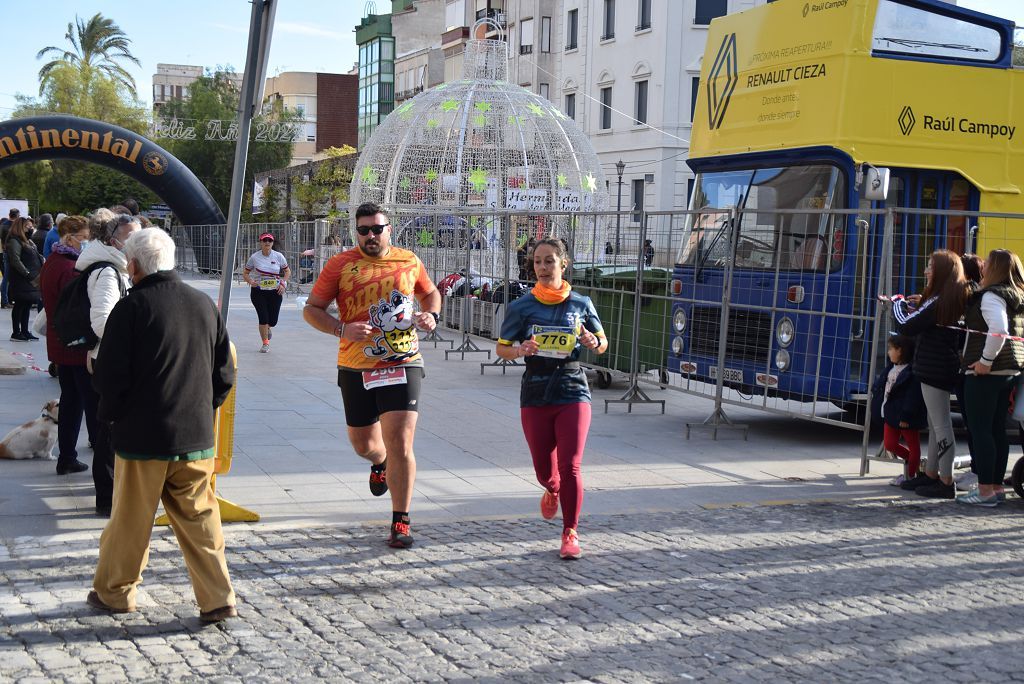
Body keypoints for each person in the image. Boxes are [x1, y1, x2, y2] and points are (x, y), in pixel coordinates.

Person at [86, 228, 237, 621]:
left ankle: (115, 593)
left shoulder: (131, 308)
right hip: (196, 436)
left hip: (142, 438)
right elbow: (224, 372)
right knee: (201, 520)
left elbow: (110, 377)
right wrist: (204, 408)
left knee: (130, 522)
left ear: (132, 266)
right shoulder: (204, 303)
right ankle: (218, 598)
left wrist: (111, 417)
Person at [303, 202, 441, 549]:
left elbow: (430, 292)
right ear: (356, 232)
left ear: (388, 229)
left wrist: (431, 315)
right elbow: (311, 310)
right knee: (364, 444)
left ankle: (401, 521)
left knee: (400, 441)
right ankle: (378, 462)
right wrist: (340, 329)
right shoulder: (340, 265)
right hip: (356, 366)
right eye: (363, 230)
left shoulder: (408, 260)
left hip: (403, 362)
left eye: (376, 229)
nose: (370, 236)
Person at [495, 238, 608, 559]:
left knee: (570, 465)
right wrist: (519, 350)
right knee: (545, 470)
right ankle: (551, 487)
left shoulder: (581, 304)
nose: (543, 268)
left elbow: (602, 343)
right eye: (538, 262)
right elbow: (501, 348)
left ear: (564, 264)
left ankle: (570, 532)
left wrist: (591, 340)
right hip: (535, 391)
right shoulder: (521, 307)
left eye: (549, 261)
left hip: (572, 387)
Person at [888, 249, 968, 499]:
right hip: (938, 366)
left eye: (930, 267)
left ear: (942, 271)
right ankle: (932, 473)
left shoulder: (940, 299)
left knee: (941, 425)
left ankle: (945, 481)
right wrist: (918, 304)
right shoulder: (949, 296)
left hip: (935, 367)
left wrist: (897, 303)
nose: (926, 271)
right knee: (936, 425)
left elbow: (906, 325)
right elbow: (926, 317)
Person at [75, 212, 140, 504]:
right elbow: (102, 321)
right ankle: (106, 494)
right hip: (107, 356)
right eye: (131, 237)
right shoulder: (107, 273)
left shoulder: (116, 268)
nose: (136, 243)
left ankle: (109, 489)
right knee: (109, 426)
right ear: (113, 240)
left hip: (109, 354)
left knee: (110, 424)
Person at [957, 249, 1024, 506]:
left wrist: (984, 362)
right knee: (996, 430)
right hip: (1010, 369)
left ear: (994, 269)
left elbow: (999, 330)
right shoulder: (1017, 295)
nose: (982, 267)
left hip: (987, 371)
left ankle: (985, 490)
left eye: (987, 263)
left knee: (981, 430)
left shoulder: (991, 296)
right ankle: (995, 487)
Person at [39, 216, 96, 479]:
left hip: (61, 345)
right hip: (76, 346)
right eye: (84, 239)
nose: (86, 243)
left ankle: (67, 457)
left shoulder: (53, 261)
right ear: (70, 238)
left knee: (72, 402)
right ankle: (77, 453)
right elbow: (78, 309)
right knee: (89, 401)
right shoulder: (69, 267)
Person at [871, 335, 926, 486]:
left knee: (913, 444)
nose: (888, 352)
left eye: (891, 349)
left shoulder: (912, 373)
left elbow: (912, 397)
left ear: (900, 351)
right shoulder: (890, 368)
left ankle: (911, 474)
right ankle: (914, 462)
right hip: (890, 413)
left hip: (905, 416)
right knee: (889, 444)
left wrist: (906, 415)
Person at [953, 253, 985, 492]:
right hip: (966, 363)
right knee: (972, 423)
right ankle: (977, 468)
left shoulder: (971, 294)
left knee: (975, 424)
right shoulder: (972, 293)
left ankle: (980, 472)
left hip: (970, 364)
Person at [243, 233, 290, 353]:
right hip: (259, 291)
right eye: (265, 240)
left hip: (275, 291)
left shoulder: (278, 256)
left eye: (270, 241)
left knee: (272, 320)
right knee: (263, 317)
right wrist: (251, 281)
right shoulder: (254, 257)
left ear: (272, 243)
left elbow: (287, 272)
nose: (267, 243)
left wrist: (283, 284)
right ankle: (265, 343)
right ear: (261, 243)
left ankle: (268, 327)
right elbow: (246, 273)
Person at [5, 216, 42, 341]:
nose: (31, 229)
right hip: (22, 278)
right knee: (20, 304)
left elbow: (36, 255)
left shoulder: (28, 241)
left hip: (31, 277)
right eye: (28, 226)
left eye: (32, 227)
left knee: (27, 303)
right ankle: (16, 332)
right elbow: (15, 260)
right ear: (21, 227)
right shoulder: (15, 241)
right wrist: (26, 273)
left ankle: (25, 331)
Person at [0, 207, 18, 308]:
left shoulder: (3, 225)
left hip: (6, 252)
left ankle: (6, 300)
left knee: (6, 278)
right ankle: (7, 300)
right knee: (8, 277)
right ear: (17, 216)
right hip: (12, 253)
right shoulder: (14, 226)